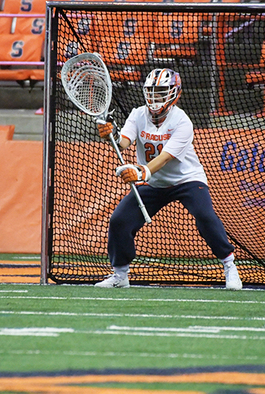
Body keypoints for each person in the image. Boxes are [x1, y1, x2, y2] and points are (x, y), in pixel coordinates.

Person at [95, 68, 242, 290]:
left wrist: (141, 172)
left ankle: (229, 265)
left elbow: (164, 159)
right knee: (119, 221)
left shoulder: (182, 121)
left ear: (174, 93)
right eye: (151, 92)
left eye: (161, 92)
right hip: (154, 183)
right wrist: (111, 134)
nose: (155, 98)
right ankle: (120, 274)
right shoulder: (137, 114)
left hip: (186, 180)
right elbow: (123, 142)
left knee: (205, 216)